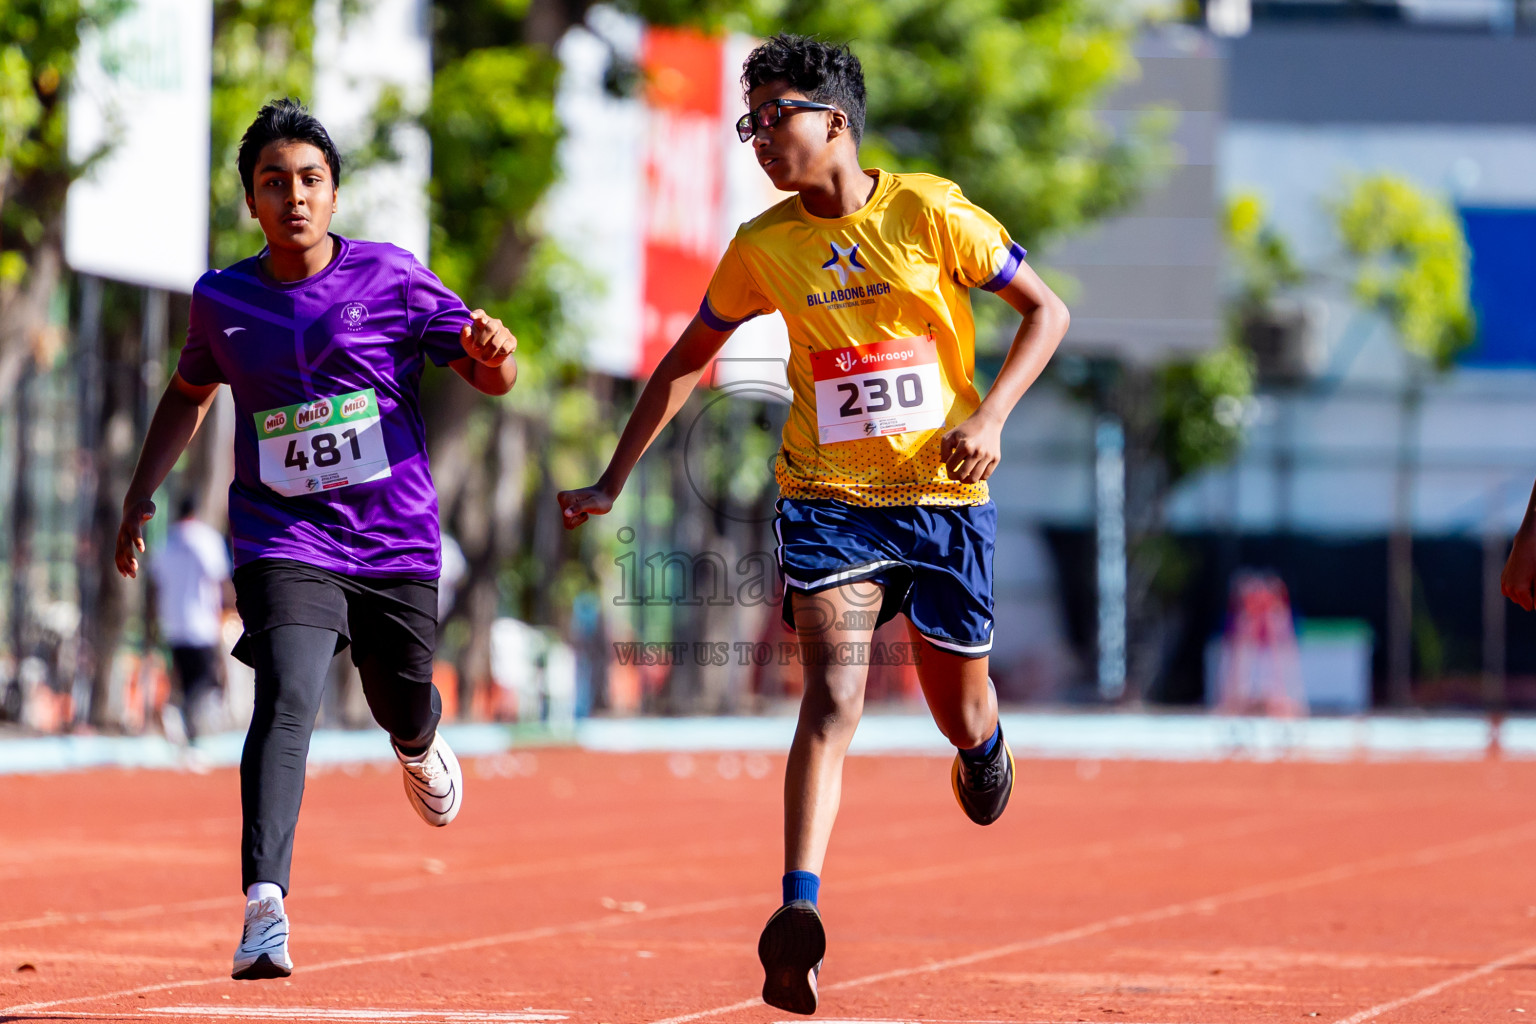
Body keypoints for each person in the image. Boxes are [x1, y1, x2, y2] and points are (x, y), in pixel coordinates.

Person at [557, 34, 1069, 1015]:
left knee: (958, 710)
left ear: (832, 120)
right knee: (833, 694)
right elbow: (683, 363)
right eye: (746, 123)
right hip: (828, 504)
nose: (756, 138)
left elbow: (1046, 313)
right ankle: (797, 910)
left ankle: (982, 744)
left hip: (945, 501)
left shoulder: (928, 211)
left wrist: (990, 416)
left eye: (772, 117)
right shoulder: (763, 247)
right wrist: (613, 477)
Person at [115, 98, 517, 981]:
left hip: (393, 537)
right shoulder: (222, 300)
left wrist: (495, 349)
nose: (293, 196)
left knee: (400, 696)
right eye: (273, 183)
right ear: (251, 202)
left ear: (334, 194)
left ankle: (417, 744)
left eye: (310, 180)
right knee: (287, 696)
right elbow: (189, 394)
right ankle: (266, 907)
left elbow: (491, 372)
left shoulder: (394, 277)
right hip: (282, 533)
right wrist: (140, 493)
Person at [150, 495, 233, 745]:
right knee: (205, 679)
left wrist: (154, 619)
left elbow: (154, 584)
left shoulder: (166, 541)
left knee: (186, 678)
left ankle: (186, 725)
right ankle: (184, 717)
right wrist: (231, 606)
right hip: (202, 623)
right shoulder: (206, 539)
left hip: (174, 622)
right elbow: (219, 578)